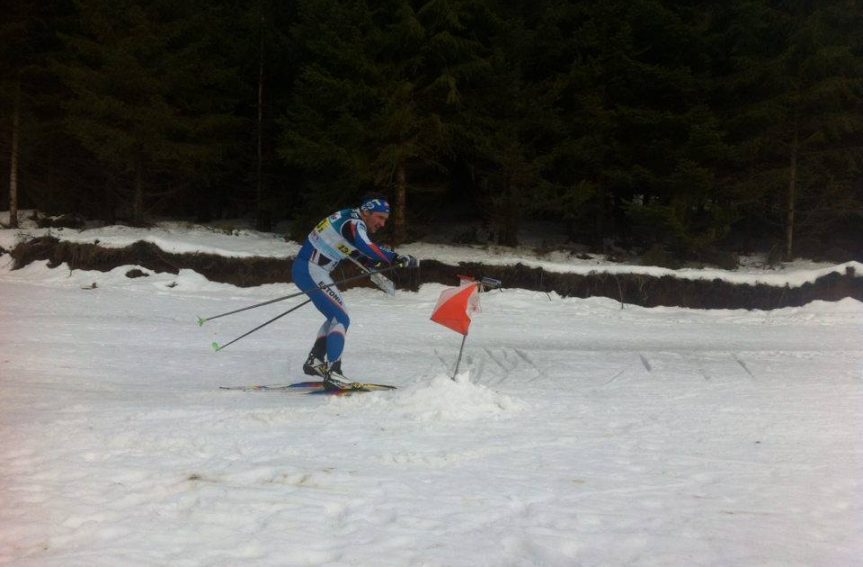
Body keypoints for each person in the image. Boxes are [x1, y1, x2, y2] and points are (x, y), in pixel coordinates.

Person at [291, 196, 418, 390]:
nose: (382, 224)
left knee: (335, 317)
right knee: (341, 318)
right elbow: (367, 246)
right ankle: (334, 373)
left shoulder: (348, 217)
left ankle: (315, 360)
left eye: (385, 220)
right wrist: (395, 257)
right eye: (380, 218)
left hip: (310, 269)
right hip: (311, 269)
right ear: (366, 212)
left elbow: (352, 249)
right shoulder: (354, 222)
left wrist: (371, 263)